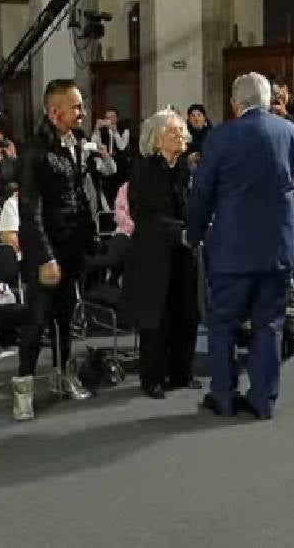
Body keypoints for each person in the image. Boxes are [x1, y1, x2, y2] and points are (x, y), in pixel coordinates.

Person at [188, 72, 294, 420]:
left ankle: (223, 396)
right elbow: (291, 176)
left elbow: (203, 191)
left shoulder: (220, 137)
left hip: (232, 250)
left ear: (236, 104)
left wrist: (193, 233)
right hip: (277, 247)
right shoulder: (290, 133)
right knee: (269, 324)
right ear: (268, 101)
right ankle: (263, 400)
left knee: (222, 323)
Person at [13, 79, 97, 420]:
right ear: (54, 111)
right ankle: (23, 390)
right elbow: (30, 211)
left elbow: (78, 197)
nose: (82, 113)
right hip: (44, 252)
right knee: (36, 321)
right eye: (76, 107)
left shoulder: (75, 143)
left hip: (71, 248)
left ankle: (62, 376)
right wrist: (46, 256)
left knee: (65, 316)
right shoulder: (35, 151)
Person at [122, 109, 200, 399]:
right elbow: (144, 214)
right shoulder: (144, 169)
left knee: (185, 311)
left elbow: (190, 206)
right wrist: (177, 231)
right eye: (172, 131)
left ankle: (182, 372)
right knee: (157, 315)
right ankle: (152, 377)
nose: (180, 135)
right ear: (156, 140)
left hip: (182, 250)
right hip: (153, 250)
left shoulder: (185, 168)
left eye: (181, 130)